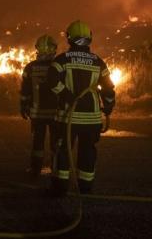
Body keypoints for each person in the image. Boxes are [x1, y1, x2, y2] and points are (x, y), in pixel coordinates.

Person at [48, 20, 116, 195]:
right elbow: (108, 89)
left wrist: (66, 96)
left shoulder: (61, 60)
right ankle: (85, 187)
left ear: (69, 38)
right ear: (89, 38)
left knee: (63, 150)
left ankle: (60, 187)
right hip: (91, 119)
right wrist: (108, 107)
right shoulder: (98, 62)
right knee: (87, 152)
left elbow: (52, 81)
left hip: (66, 117)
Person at [20, 34, 58, 180]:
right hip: (56, 114)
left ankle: (35, 170)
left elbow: (25, 91)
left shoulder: (30, 67)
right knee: (56, 143)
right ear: (52, 49)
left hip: (37, 114)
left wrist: (23, 106)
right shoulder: (59, 66)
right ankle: (56, 170)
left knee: (38, 143)